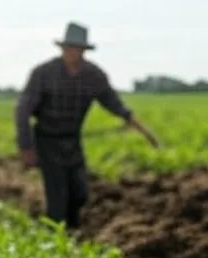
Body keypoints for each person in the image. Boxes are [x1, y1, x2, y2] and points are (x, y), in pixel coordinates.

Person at [14, 22, 159, 231]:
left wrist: (138, 125)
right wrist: (26, 147)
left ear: (84, 50)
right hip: (47, 140)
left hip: (72, 139)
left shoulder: (94, 75)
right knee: (58, 196)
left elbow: (113, 102)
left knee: (80, 193)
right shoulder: (43, 74)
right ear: (63, 49)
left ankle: (72, 231)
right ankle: (54, 237)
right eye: (69, 48)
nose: (73, 52)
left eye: (77, 48)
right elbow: (22, 111)